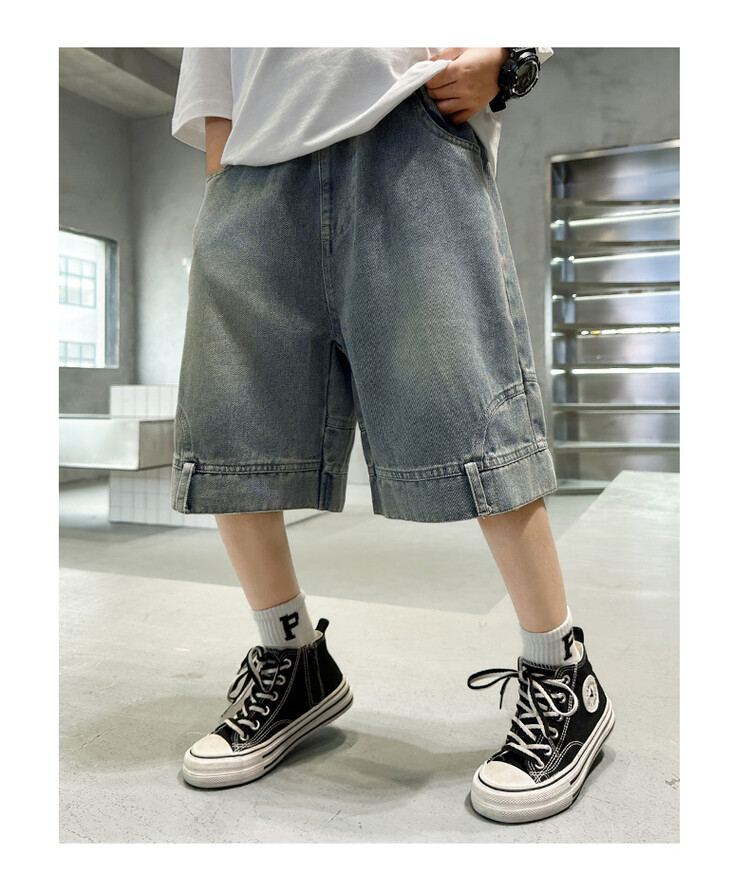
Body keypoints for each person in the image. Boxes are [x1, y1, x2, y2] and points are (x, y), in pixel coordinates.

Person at [169, 47, 614, 824]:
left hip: (408, 134)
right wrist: (228, 179)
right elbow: (214, 70)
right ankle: (292, 657)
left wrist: (513, 58)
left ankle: (563, 673)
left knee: (477, 417)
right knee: (231, 430)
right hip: (253, 173)